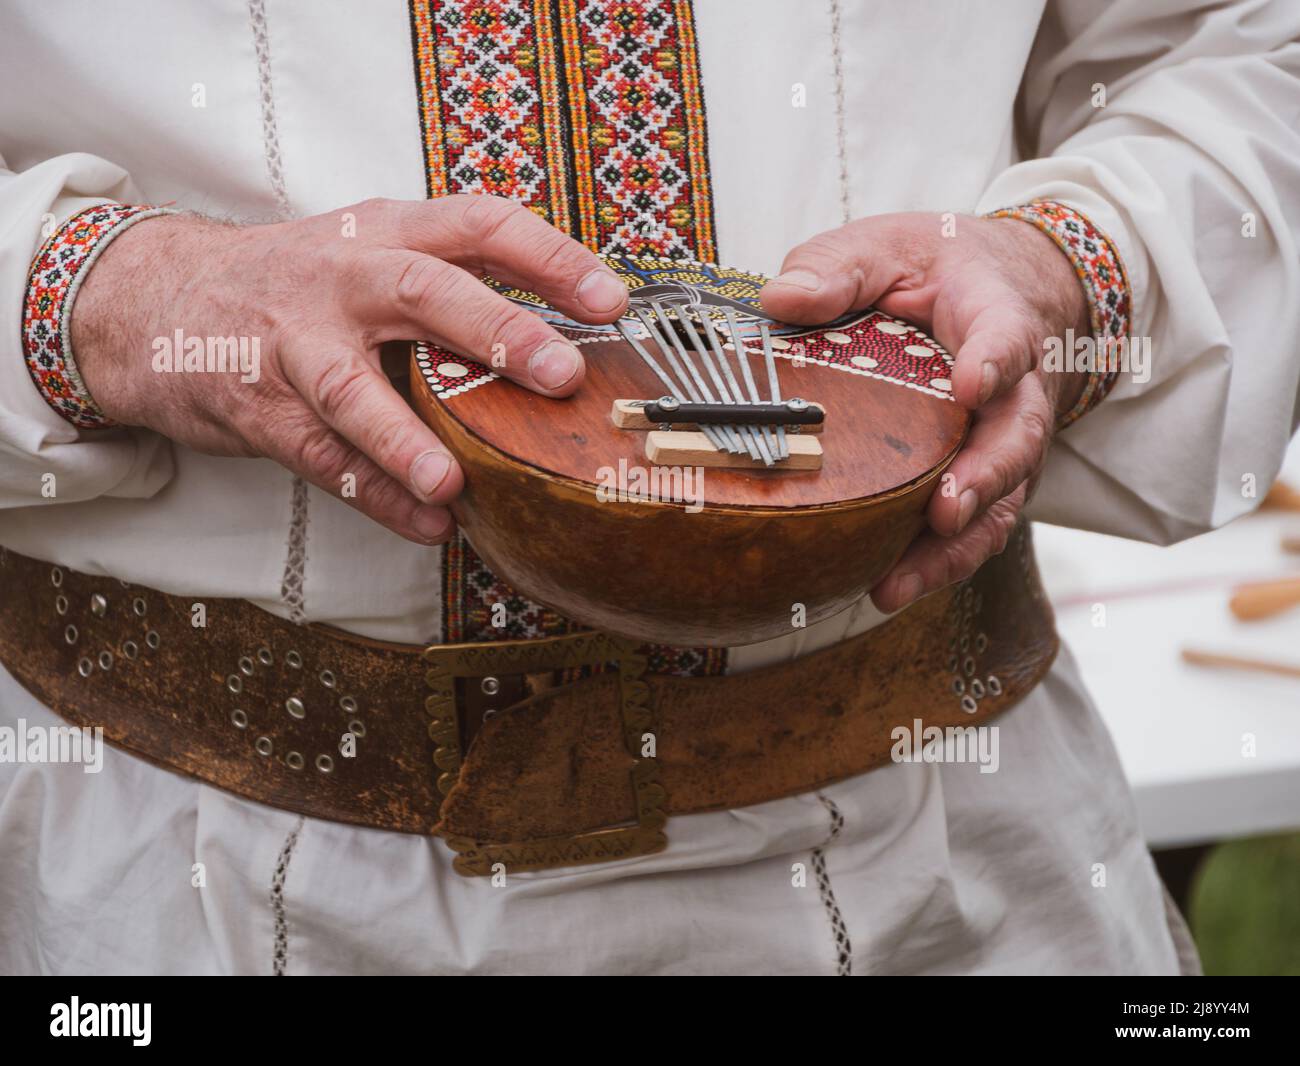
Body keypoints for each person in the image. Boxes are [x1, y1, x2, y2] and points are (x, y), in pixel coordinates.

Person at [1, 0, 1296, 975]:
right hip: (197, 889)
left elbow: (1250, 45)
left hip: (951, 866)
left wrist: (1072, 266)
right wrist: (115, 299)